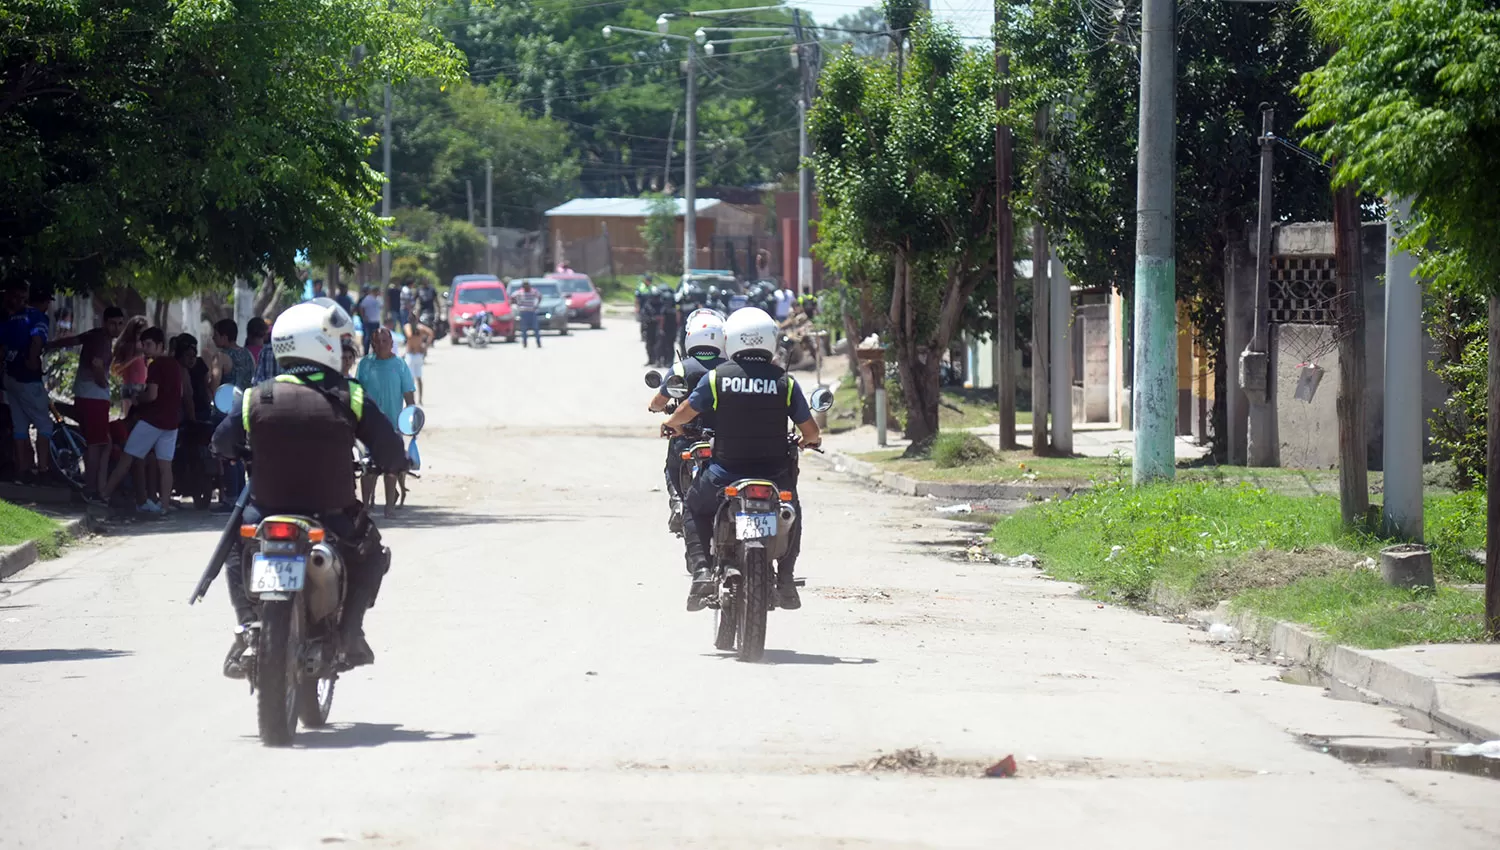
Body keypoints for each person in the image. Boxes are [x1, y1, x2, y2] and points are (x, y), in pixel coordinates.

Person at [213, 300, 405, 674]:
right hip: (332, 512)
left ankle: (247, 626)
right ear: (327, 345)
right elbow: (390, 449)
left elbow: (221, 443)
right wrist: (395, 462)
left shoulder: (257, 395)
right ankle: (350, 631)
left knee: (237, 546)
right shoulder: (350, 394)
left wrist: (243, 450)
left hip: (265, 508)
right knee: (371, 553)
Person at [662, 307, 822, 611]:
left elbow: (683, 413)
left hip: (724, 473)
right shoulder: (785, 383)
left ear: (730, 340)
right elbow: (811, 431)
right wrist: (811, 440)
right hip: (775, 476)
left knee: (693, 507)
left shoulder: (716, 378)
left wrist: (672, 425)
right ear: (770, 341)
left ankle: (701, 572)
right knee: (793, 512)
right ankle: (786, 582)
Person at [648, 311, 725, 557]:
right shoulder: (730, 367)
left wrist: (656, 408)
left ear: (690, 337)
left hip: (688, 435)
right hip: (721, 436)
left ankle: (678, 503)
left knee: (672, 463)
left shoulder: (682, 366)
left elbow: (659, 401)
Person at [98, 327, 181, 514]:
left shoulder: (156, 365)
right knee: (165, 466)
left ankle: (104, 494)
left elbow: (152, 395)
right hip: (171, 422)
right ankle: (165, 507)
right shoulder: (175, 365)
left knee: (127, 457)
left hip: (152, 420)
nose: (145, 348)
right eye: (143, 344)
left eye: (149, 344)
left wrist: (137, 398)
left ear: (161, 345)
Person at [47, 305, 126, 495]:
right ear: (105, 323)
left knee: (101, 442)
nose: (117, 328)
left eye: (120, 324)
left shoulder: (94, 335)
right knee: (96, 444)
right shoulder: (102, 341)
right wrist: (103, 383)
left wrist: (49, 345)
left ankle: (97, 486)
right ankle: (91, 488)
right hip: (94, 398)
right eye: (113, 324)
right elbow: (96, 364)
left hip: (84, 397)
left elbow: (73, 340)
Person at [355, 326, 415, 516]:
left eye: (384, 341)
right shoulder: (365, 364)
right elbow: (358, 393)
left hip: (393, 426)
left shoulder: (399, 365)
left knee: (391, 470)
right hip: (368, 425)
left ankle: (389, 508)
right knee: (368, 468)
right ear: (372, 344)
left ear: (391, 343)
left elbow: (409, 396)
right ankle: (365, 507)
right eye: (377, 342)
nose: (380, 345)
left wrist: (411, 421)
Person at [1, 283, 56, 484]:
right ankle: (43, 470)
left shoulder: (10, 319)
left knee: (20, 426)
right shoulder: (37, 317)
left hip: (10, 377)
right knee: (44, 425)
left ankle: (21, 472)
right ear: (42, 303)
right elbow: (37, 339)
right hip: (27, 378)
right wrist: (33, 361)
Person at [212, 319, 255, 391]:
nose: (213, 338)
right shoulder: (249, 354)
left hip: (227, 400)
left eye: (216, 335)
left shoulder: (220, 357)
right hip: (247, 399)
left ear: (224, 337)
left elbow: (214, 387)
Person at [403, 320, 434, 405]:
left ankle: (420, 399)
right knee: (410, 379)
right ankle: (411, 399)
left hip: (418, 354)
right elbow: (409, 335)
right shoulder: (407, 326)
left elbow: (430, 333)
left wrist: (426, 345)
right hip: (410, 354)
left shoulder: (420, 328)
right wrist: (415, 330)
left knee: (419, 377)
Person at [512, 280, 543, 348]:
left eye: (527, 285)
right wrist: (517, 304)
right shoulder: (520, 292)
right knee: (524, 329)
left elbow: (540, 296)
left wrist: (537, 305)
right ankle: (525, 343)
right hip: (523, 312)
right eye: (524, 286)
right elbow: (512, 297)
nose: (526, 287)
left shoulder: (533, 291)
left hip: (532, 311)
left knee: (536, 328)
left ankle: (538, 343)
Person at [358, 286, 383, 354]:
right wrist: (363, 317)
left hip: (376, 321)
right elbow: (361, 307)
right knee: (368, 338)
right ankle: (365, 352)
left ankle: (375, 352)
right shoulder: (367, 299)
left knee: (376, 338)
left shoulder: (379, 299)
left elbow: (381, 307)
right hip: (369, 322)